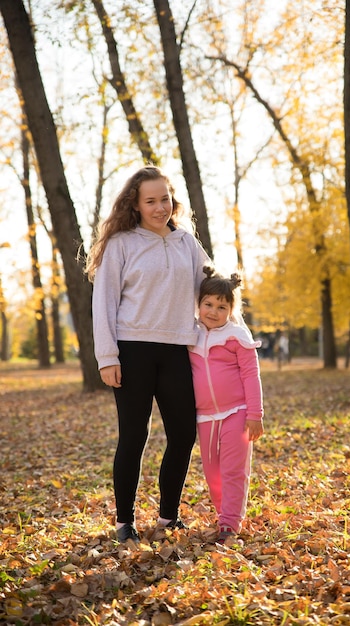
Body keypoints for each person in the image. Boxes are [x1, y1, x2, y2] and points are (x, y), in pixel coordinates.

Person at [86, 165, 210, 545]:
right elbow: (103, 302)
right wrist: (107, 357)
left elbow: (211, 290)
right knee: (134, 436)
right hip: (132, 352)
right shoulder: (121, 243)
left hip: (176, 351)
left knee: (183, 433)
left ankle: (168, 517)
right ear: (136, 205)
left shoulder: (186, 242)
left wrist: (232, 334)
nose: (160, 207)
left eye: (165, 199)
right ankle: (125, 521)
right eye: (151, 201)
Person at [188, 266, 264, 544]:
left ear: (231, 310)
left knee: (234, 468)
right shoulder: (191, 336)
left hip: (237, 411)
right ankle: (224, 515)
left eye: (221, 306)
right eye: (207, 304)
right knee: (212, 471)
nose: (213, 311)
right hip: (205, 416)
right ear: (198, 304)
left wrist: (254, 415)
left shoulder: (237, 337)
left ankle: (230, 523)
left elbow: (250, 375)